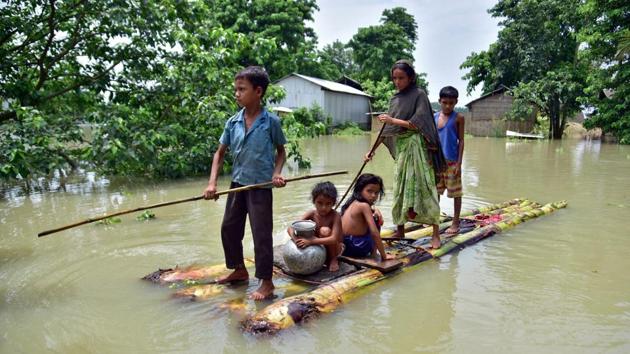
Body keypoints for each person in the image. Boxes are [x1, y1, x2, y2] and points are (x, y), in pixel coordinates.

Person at [203, 66, 287, 300]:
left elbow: (281, 152)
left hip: (260, 187)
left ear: (258, 91)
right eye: (236, 89)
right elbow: (219, 154)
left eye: (242, 89)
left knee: (261, 234)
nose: (236, 94)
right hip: (238, 185)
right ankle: (239, 270)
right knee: (229, 228)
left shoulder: (271, 122)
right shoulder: (233, 122)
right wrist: (212, 184)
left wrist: (276, 173)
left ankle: (266, 282)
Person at [365, 60, 446, 249]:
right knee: (400, 187)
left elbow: (419, 123)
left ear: (410, 78)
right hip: (402, 149)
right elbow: (387, 129)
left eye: (401, 78)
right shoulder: (395, 99)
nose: (397, 82)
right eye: (394, 78)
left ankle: (435, 233)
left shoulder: (419, 95)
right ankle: (400, 229)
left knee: (426, 188)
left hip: (417, 147)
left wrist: (392, 119)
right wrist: (371, 150)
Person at [287, 181, 343, 272]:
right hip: (319, 246)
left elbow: (334, 239)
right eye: (320, 203)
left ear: (333, 203)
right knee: (303, 231)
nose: (323, 208)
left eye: (328, 204)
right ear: (314, 201)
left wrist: (311, 241)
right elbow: (291, 228)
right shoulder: (312, 214)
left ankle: (333, 259)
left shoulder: (335, 216)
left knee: (325, 231)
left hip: (335, 249)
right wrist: (296, 240)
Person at [340, 174, 394, 261]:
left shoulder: (352, 202)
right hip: (356, 248)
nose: (373, 195)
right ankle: (374, 253)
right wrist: (384, 256)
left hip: (345, 246)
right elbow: (374, 233)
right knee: (376, 220)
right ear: (360, 190)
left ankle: (373, 251)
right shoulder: (364, 206)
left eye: (376, 193)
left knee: (375, 216)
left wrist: (375, 209)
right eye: (369, 191)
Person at [434, 86, 465, 234]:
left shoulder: (458, 117)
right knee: (436, 193)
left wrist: (459, 163)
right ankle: (434, 220)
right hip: (437, 163)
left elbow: (461, 141)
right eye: (445, 102)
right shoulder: (434, 117)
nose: (447, 106)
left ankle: (455, 223)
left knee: (455, 193)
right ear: (439, 101)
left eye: (451, 103)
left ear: (456, 102)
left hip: (452, 163)